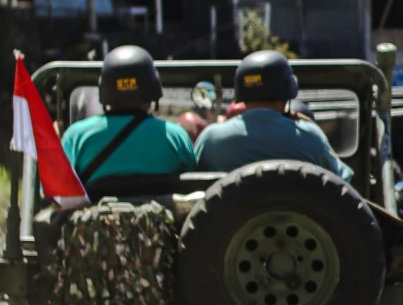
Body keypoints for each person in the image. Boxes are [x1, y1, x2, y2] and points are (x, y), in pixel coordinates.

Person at [195, 51, 351, 179]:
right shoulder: (310, 136)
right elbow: (344, 182)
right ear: (288, 92)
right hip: (297, 217)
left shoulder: (211, 139)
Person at [60, 46, 195, 195]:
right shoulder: (176, 137)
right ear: (153, 89)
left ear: (104, 90)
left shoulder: (76, 137)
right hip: (162, 218)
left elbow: (61, 191)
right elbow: (191, 185)